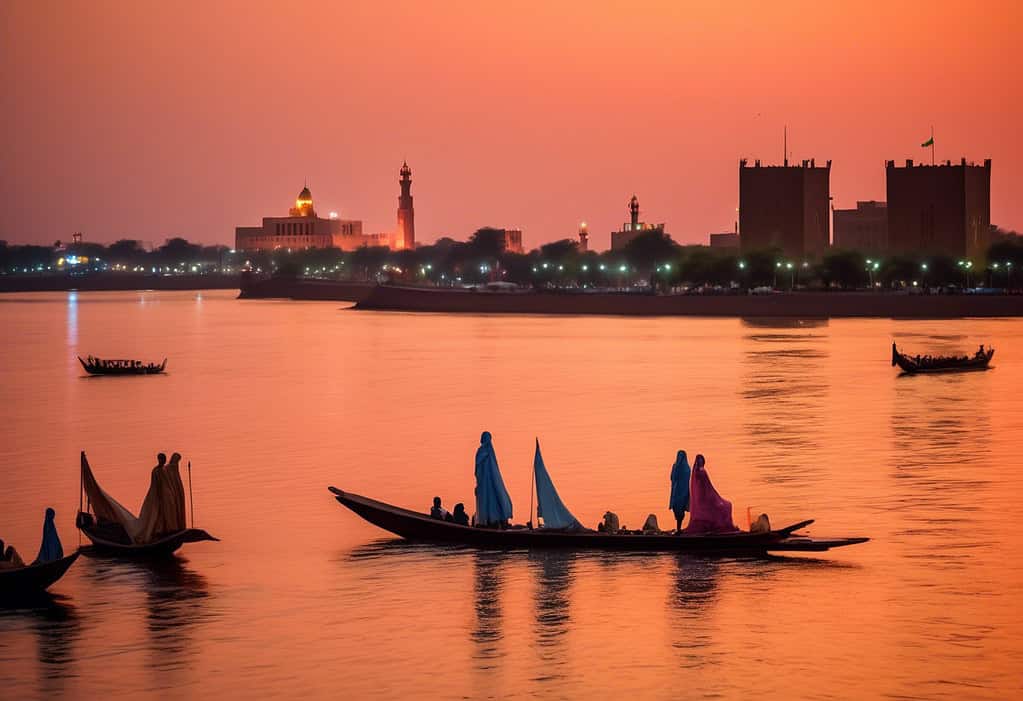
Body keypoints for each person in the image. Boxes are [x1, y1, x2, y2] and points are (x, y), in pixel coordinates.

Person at [684, 455, 739, 534]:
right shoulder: (701, 471)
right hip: (706, 497)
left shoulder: (696, 471)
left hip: (704, 496)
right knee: (726, 506)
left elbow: (707, 486)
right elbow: (707, 486)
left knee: (725, 505)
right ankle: (715, 526)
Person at [474, 432, 513, 528]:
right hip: (489, 482)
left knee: (488, 499)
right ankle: (492, 520)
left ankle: (489, 521)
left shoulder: (482, 451)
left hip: (485, 482)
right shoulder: (490, 452)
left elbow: (477, 467)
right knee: (492, 498)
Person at [669, 450, 691, 532]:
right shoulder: (677, 467)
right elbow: (672, 477)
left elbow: (672, 477)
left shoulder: (686, 468)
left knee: (680, 510)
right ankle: (679, 528)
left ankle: (679, 528)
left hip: (683, 492)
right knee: (677, 508)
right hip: (677, 491)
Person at [165, 452, 187, 531]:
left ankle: (178, 526)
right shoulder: (167, 469)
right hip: (170, 493)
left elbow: (177, 482)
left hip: (175, 493)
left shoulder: (175, 469)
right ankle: (171, 527)